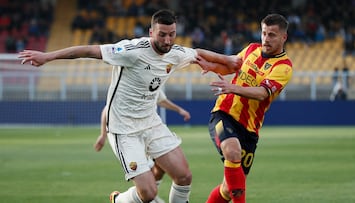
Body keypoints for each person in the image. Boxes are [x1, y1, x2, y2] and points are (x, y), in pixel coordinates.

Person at [19, 9, 203, 203]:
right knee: (149, 193)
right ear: (151, 32)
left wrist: (231, 61)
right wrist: (48, 57)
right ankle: (119, 200)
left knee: (182, 176)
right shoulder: (133, 53)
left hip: (150, 124)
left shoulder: (168, 60)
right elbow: (89, 51)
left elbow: (197, 57)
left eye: (171, 34)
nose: (167, 40)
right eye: (162, 34)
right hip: (124, 129)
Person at [195, 14, 293, 203]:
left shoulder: (284, 67)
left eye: (272, 35)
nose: (266, 39)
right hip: (224, 113)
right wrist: (213, 66)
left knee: (226, 190)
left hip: (249, 129)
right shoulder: (251, 49)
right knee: (232, 152)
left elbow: (263, 93)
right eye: (264, 33)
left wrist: (234, 88)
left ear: (283, 37)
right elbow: (232, 68)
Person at [93, 90, 191, 203]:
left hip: (148, 129)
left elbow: (162, 100)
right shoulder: (128, 85)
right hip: (126, 133)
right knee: (148, 183)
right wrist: (103, 135)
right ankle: (121, 200)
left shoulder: (152, 80)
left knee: (161, 168)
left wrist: (179, 110)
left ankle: (147, 197)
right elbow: (107, 110)